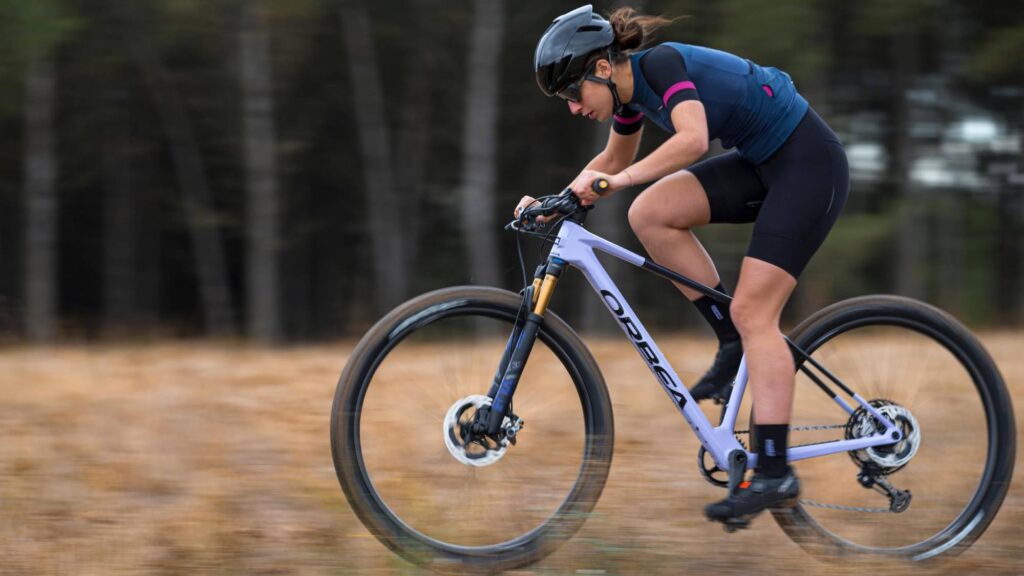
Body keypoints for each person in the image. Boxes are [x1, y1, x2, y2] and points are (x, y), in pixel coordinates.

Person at [518, 4, 849, 526]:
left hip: (807, 164)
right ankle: (733, 340)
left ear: (602, 68)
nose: (573, 108)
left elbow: (691, 140)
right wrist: (558, 199)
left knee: (756, 312)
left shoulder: (663, 65)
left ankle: (774, 471)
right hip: (763, 163)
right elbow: (612, 162)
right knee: (651, 213)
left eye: (573, 94)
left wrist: (615, 183)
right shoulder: (628, 99)